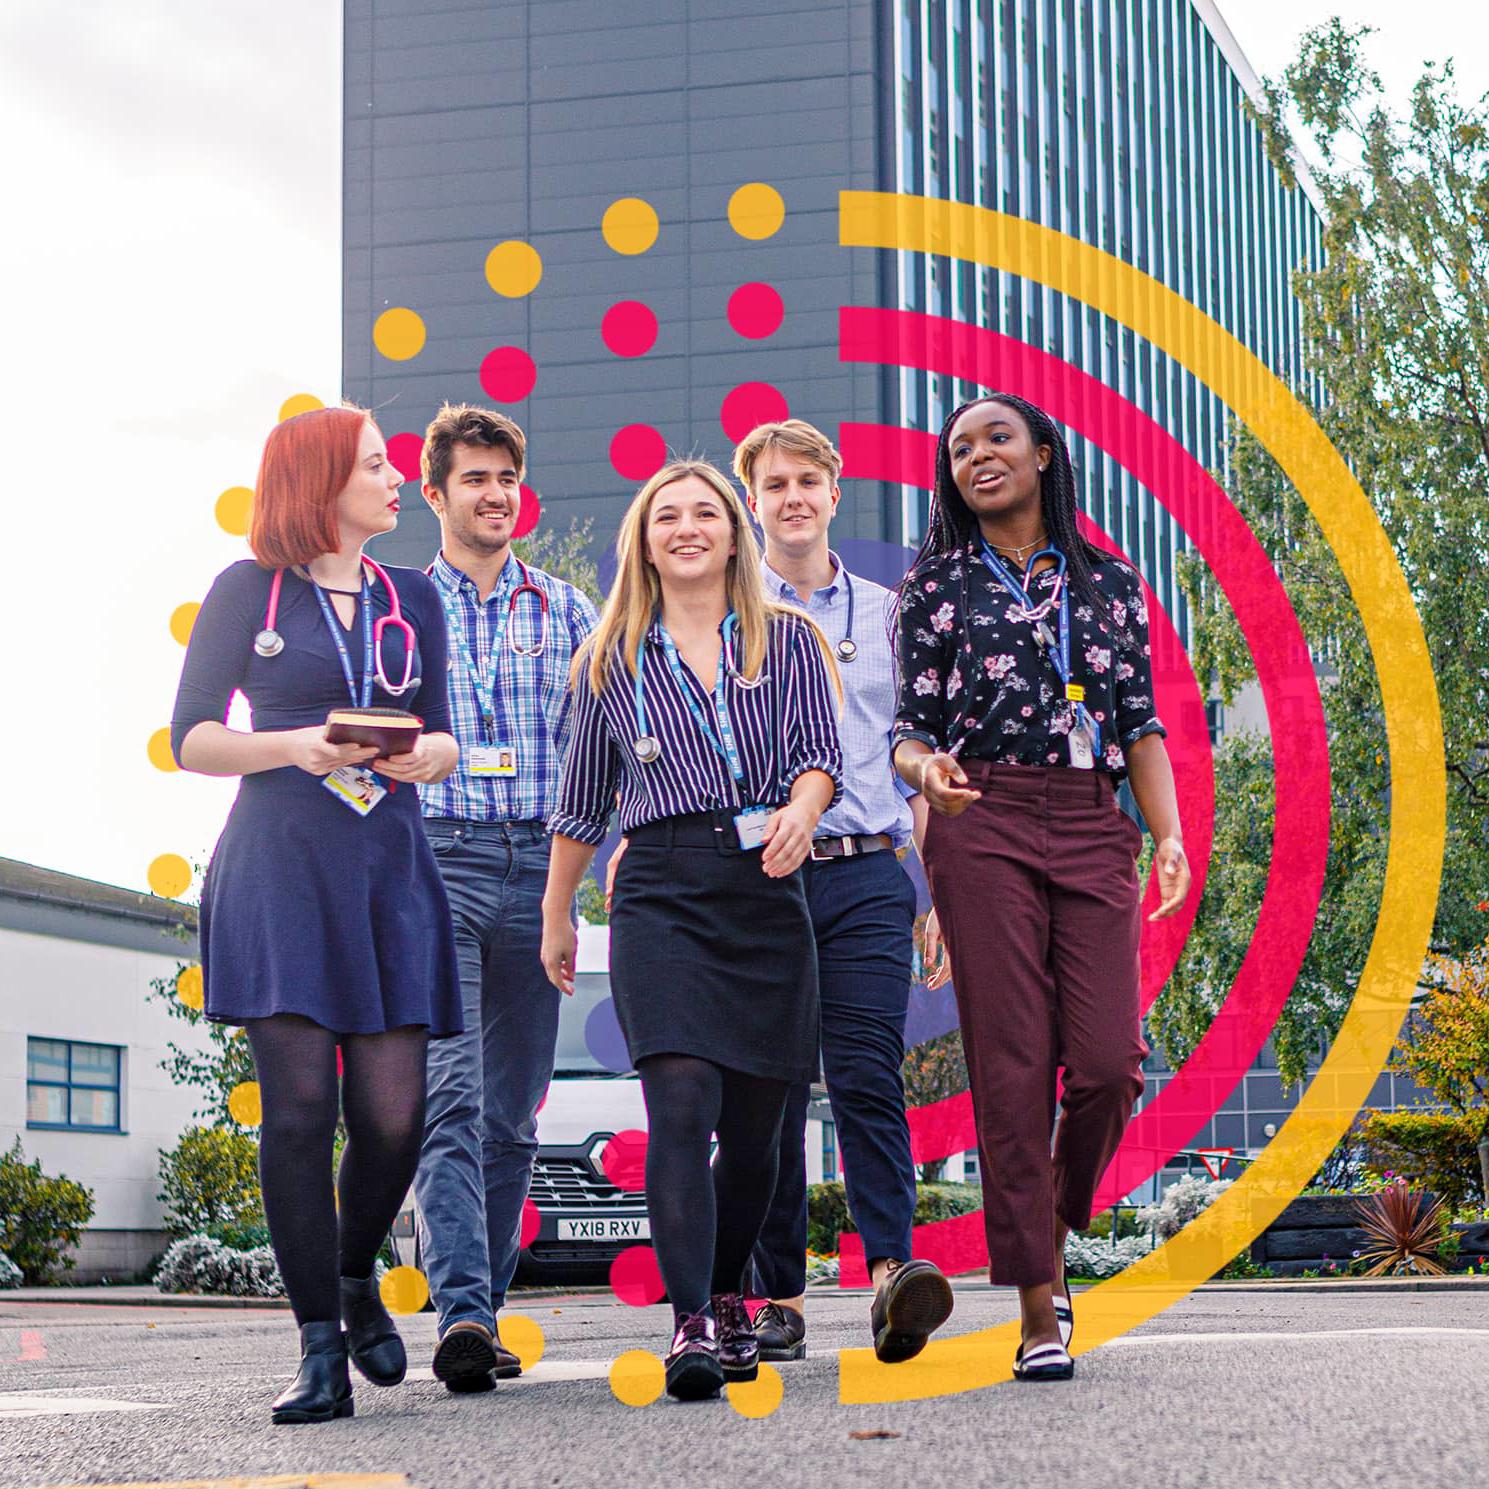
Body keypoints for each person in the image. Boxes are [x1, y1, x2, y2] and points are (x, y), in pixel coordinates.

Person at [170, 406, 462, 1424]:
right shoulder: (246, 590)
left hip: (388, 867)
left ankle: (350, 1271)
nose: (396, 480)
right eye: (377, 465)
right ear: (320, 479)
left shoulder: (412, 596)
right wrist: (291, 745)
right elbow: (191, 737)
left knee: (393, 1116)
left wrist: (432, 753)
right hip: (281, 867)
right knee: (297, 1114)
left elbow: (444, 733)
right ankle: (320, 1346)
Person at [892, 393, 1190, 1383]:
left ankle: (1043, 1226)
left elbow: (1140, 724)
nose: (978, 455)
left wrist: (1170, 837)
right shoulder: (933, 589)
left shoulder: (1108, 585)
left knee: (1107, 1062)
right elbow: (909, 731)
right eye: (960, 448)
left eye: (997, 439)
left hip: (1089, 816)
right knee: (1013, 1064)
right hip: (980, 818)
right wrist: (921, 774)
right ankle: (1038, 1308)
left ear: (1043, 455)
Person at [540, 459, 842, 1402]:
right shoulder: (608, 657)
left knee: (759, 1132)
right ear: (643, 536)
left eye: (703, 511)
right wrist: (557, 912)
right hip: (661, 890)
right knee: (680, 1105)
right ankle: (690, 1323)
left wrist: (803, 808)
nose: (684, 526)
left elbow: (818, 755)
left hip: (765, 884)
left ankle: (728, 1292)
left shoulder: (785, 638)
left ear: (731, 530)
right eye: (665, 514)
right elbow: (582, 801)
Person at [730, 419, 953, 1363]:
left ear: (832, 489)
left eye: (805, 482)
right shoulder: (731, 616)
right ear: (754, 500)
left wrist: (932, 891)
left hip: (867, 871)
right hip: (763, 876)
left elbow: (918, 768)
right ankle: (776, 1295)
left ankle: (892, 1277)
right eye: (772, 484)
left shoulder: (889, 612)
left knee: (865, 1072)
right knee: (772, 1094)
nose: (790, 498)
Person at [412, 404, 600, 1392]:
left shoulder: (566, 611)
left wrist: (575, 882)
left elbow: (597, 751)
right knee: (449, 1099)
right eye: (473, 479)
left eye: (505, 478)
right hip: (436, 863)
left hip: (540, 868)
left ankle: (482, 1303)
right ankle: (466, 1315)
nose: (493, 495)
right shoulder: (401, 608)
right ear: (434, 493)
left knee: (513, 1113)